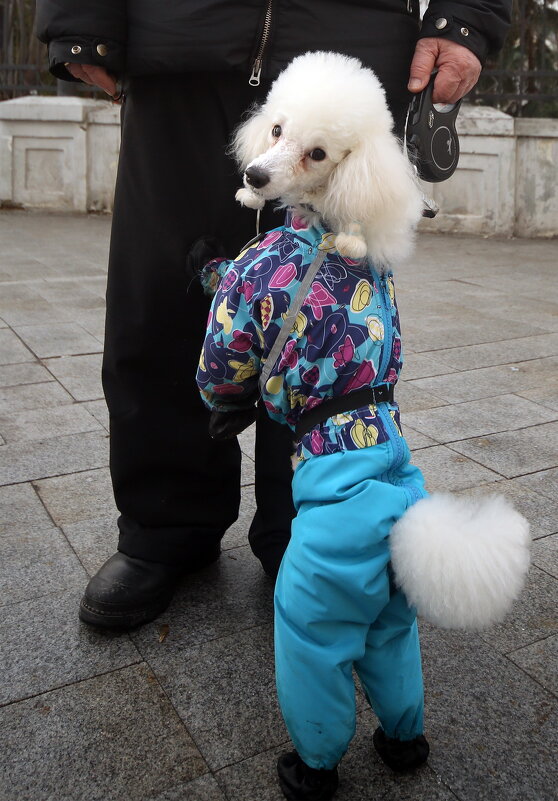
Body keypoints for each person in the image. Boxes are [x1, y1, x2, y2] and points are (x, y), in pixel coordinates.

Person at [36, 0, 512, 630]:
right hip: (179, 36)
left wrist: (466, 16)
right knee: (159, 298)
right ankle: (166, 520)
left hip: (351, 40)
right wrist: (80, 20)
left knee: (329, 332)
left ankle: (310, 528)